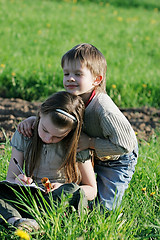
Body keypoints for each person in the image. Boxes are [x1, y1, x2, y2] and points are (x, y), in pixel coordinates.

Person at [17, 43, 138, 211]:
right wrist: (33, 120)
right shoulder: (74, 96)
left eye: (78, 74)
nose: (70, 78)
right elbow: (52, 115)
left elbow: (126, 145)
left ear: (97, 79)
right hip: (89, 152)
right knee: (78, 199)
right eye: (66, 73)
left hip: (117, 159)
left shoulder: (104, 109)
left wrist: (90, 142)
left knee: (103, 209)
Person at [0, 91, 97, 231]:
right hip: (31, 198)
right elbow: (10, 178)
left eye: (57, 136)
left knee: (73, 190)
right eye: (44, 130)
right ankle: (17, 221)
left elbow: (91, 190)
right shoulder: (26, 135)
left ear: (70, 133)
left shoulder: (76, 145)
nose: (47, 138)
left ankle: (37, 221)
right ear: (40, 115)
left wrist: (62, 188)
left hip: (59, 201)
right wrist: (19, 181)